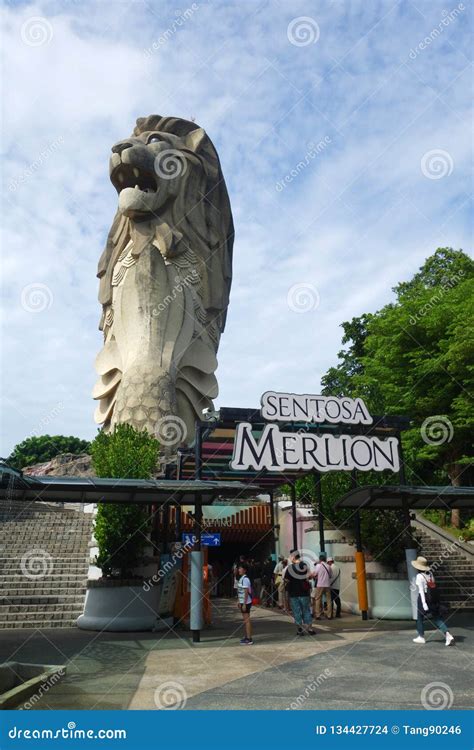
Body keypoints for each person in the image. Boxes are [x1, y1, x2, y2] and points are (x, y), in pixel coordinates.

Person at [412, 556, 454, 646]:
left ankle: (421, 636)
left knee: (419, 618)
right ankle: (447, 634)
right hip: (432, 598)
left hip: (424, 598)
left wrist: (423, 603)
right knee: (437, 617)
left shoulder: (419, 576)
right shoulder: (430, 574)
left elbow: (421, 591)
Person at [284, 552, 316, 636]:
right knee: (306, 610)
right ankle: (310, 629)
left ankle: (299, 630)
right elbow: (310, 576)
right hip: (304, 593)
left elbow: (286, 580)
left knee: (296, 611)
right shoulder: (304, 565)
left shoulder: (290, 568)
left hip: (294, 593)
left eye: (291, 556)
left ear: (294, 557)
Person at [236, 562, 254, 644]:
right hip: (243, 601)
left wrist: (243, 603)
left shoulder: (245, 579)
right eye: (238, 568)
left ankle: (249, 639)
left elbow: (246, 592)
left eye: (240, 568)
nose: (238, 569)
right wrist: (239, 601)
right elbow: (240, 592)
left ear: (245, 570)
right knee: (245, 620)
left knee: (247, 620)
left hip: (246, 602)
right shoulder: (241, 578)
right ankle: (247, 636)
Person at [313, 552, 332, 620]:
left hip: (320, 584)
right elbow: (330, 576)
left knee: (318, 599)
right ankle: (329, 615)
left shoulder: (318, 566)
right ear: (325, 559)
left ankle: (318, 615)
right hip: (327, 584)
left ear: (320, 560)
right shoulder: (328, 566)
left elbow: (315, 574)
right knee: (329, 599)